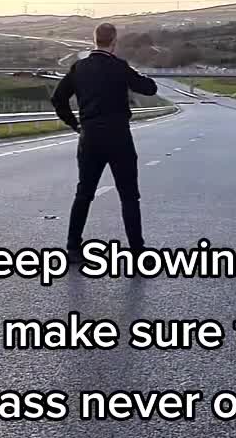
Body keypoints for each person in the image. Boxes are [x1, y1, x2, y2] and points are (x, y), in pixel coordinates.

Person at [51, 22, 158, 261]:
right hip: (119, 136)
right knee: (129, 195)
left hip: (90, 136)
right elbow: (149, 89)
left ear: (95, 40)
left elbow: (58, 99)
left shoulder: (79, 68)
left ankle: (73, 247)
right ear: (114, 41)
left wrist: (75, 124)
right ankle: (137, 250)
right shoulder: (120, 67)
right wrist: (138, 73)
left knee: (84, 193)